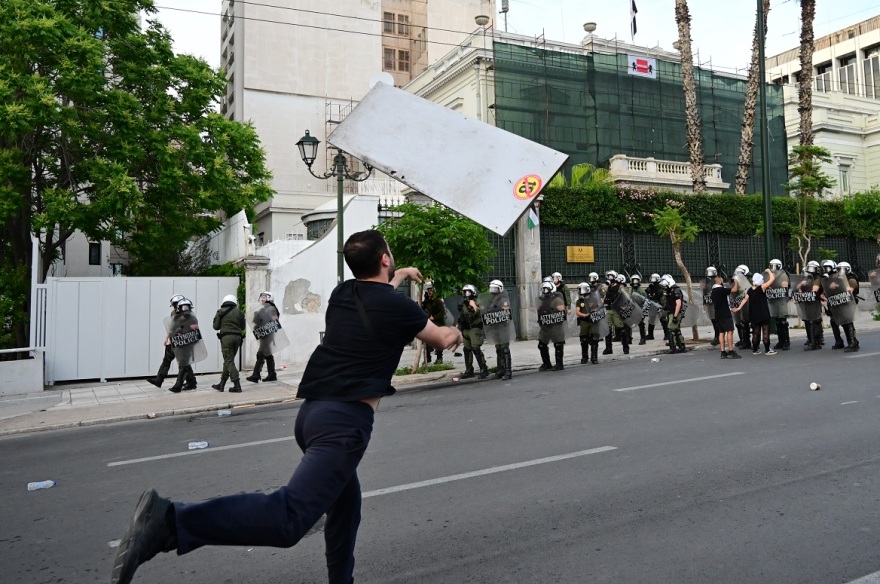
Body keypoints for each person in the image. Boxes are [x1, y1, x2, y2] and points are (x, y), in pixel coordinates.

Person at [110, 229, 462, 584]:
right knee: (288, 520)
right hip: (343, 423)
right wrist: (459, 329)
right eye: (390, 256)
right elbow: (442, 338)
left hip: (311, 416)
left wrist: (404, 273)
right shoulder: (398, 306)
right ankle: (170, 521)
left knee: (345, 508)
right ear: (385, 259)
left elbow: (380, 285)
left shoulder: (343, 293)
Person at [146, 294, 197, 390]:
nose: (174, 306)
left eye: (175, 304)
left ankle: (189, 382)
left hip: (182, 341)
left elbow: (188, 328)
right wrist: (167, 337)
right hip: (174, 340)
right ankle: (159, 379)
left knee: (183, 362)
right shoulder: (175, 312)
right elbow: (173, 327)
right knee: (168, 359)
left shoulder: (188, 314)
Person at [164, 298, 207, 392]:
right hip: (180, 343)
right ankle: (192, 382)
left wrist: (186, 331)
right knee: (184, 363)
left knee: (183, 363)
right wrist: (173, 336)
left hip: (188, 343)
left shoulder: (192, 318)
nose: (185, 310)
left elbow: (195, 332)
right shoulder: (177, 318)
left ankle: (178, 385)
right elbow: (173, 329)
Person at [732, 269, 777, 355]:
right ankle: (767, 349)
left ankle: (755, 349)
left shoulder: (750, 290)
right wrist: (769, 272)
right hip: (763, 313)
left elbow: (745, 299)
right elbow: (772, 279)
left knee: (755, 331)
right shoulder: (762, 288)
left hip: (754, 313)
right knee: (765, 331)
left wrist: (738, 308)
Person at [246, 292, 287, 383]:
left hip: (268, 334)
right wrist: (257, 315)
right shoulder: (263, 309)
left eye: (264, 297)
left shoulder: (271, 308)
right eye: (262, 297)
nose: (262, 299)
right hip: (263, 333)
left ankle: (256, 375)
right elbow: (256, 321)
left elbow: (274, 320)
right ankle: (272, 374)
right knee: (267, 354)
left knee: (261, 354)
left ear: (269, 298)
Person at [212, 294, 246, 393]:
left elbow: (216, 326)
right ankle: (221, 384)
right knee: (229, 360)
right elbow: (243, 326)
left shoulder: (220, 312)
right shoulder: (239, 312)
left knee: (229, 361)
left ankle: (237, 385)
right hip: (238, 338)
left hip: (226, 338)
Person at [481, 279, 513, 380]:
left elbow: (506, 312)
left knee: (505, 349)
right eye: (492, 288)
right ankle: (501, 369)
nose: (493, 290)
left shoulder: (503, 299)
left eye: (495, 288)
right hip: (495, 327)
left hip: (503, 327)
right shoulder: (491, 299)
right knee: (498, 349)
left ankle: (508, 371)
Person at [457, 284, 489, 379]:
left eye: (468, 292)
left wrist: (474, 306)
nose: (467, 294)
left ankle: (484, 369)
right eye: (465, 292)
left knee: (476, 348)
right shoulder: (464, 304)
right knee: (466, 349)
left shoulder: (477, 302)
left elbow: (481, 311)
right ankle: (469, 370)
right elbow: (462, 315)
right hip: (466, 329)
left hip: (475, 328)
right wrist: (458, 324)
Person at [709, 272, 741, 359]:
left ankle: (723, 352)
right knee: (730, 331)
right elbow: (734, 290)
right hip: (725, 314)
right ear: (719, 281)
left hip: (718, 314)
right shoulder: (721, 290)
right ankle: (731, 350)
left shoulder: (713, 291)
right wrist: (736, 281)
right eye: (722, 281)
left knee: (721, 333)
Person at [537, 280, 567, 371]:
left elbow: (562, 310)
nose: (545, 291)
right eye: (544, 289)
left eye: (547, 289)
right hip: (545, 326)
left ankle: (559, 364)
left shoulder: (556, 299)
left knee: (558, 344)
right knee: (542, 344)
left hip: (555, 325)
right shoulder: (542, 300)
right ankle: (547, 363)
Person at [574, 281, 606, 364]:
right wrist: (584, 315)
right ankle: (584, 357)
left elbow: (599, 306)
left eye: (580, 289)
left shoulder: (593, 298)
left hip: (593, 321)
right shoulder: (579, 301)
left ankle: (594, 358)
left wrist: (594, 311)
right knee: (584, 340)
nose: (579, 291)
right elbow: (577, 312)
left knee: (594, 339)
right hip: (584, 321)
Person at [420, 281, 447, 364]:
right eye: (428, 291)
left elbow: (442, 312)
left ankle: (439, 358)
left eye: (431, 290)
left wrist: (434, 317)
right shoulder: (426, 302)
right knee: (426, 342)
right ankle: (428, 358)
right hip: (429, 325)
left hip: (438, 324)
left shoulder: (438, 301)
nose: (429, 292)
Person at [660, 276, 687, 354]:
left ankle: (673, 348)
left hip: (675, 313)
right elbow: (670, 303)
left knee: (671, 330)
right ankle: (681, 346)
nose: (665, 288)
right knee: (677, 330)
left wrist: (675, 316)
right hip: (671, 312)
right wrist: (663, 309)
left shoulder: (676, 291)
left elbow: (678, 304)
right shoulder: (671, 291)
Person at [627, 273, 648, 345]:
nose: (635, 282)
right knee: (628, 323)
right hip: (631, 309)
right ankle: (628, 338)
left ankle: (643, 338)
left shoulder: (641, 291)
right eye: (634, 280)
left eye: (636, 280)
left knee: (641, 324)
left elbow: (645, 300)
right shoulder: (630, 290)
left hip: (640, 309)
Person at [644, 273, 663, 340]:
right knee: (651, 320)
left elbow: (661, 295)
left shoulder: (660, 287)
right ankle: (650, 335)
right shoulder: (650, 286)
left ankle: (667, 335)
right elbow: (646, 292)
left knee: (663, 319)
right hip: (652, 304)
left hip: (658, 304)